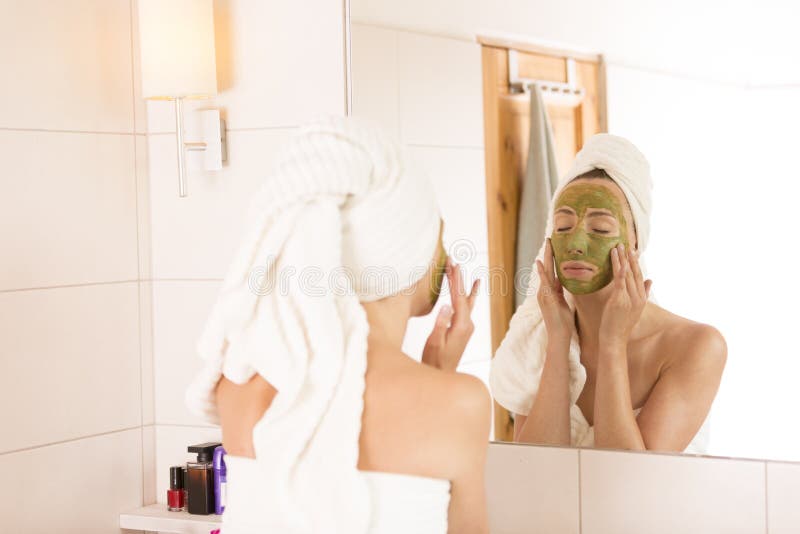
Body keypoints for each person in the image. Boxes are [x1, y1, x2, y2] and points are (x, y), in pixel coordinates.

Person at [185, 116, 491, 533]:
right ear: (409, 253)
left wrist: (435, 375)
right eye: (437, 232)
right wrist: (440, 381)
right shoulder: (458, 404)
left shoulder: (237, 384)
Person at [490, 134, 726, 453]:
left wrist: (612, 342)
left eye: (600, 229)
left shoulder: (696, 347)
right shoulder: (539, 337)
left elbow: (628, 482)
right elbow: (536, 474)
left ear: (636, 243)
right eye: (562, 227)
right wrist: (558, 340)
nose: (575, 243)